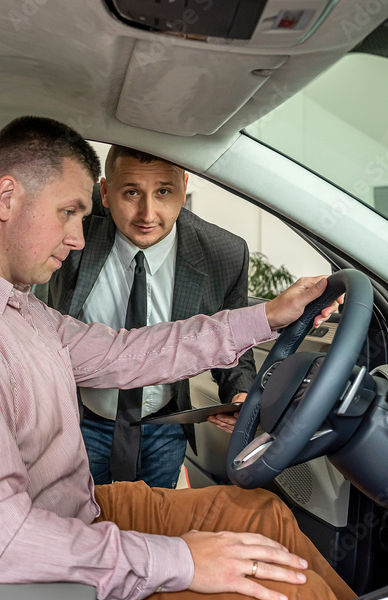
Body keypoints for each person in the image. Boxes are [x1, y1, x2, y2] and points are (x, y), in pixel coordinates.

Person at [0, 116, 355, 600]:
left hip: (80, 513)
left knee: (262, 516)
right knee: (282, 594)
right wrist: (181, 561)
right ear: (7, 197)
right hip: (31, 588)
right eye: (68, 213)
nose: (79, 239)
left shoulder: (13, 307)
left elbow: (128, 352)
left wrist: (268, 316)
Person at [48, 146, 254, 488]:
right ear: (105, 192)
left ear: (184, 187)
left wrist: (241, 395)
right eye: (131, 192)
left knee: (156, 529)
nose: (148, 213)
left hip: (164, 424)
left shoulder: (224, 254)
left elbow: (234, 343)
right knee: (81, 525)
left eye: (163, 192)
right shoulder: (71, 227)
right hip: (79, 418)